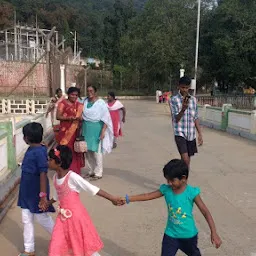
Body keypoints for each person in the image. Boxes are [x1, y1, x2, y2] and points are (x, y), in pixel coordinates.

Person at [122, 159, 222, 256]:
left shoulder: (192, 192)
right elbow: (147, 196)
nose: (169, 183)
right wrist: (128, 199)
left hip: (189, 236)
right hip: (171, 235)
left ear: (183, 178)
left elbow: (205, 212)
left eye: (172, 180)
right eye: (167, 180)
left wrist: (214, 232)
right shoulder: (166, 190)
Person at [41, 145, 124, 256]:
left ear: (59, 163)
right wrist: (48, 203)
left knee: (81, 242)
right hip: (63, 217)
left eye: (50, 159)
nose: (48, 162)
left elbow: (92, 189)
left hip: (76, 217)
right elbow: (58, 194)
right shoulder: (56, 177)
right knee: (58, 240)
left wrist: (112, 198)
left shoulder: (72, 177)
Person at [17, 122, 55, 256]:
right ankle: (29, 249)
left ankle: (63, 237)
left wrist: (43, 196)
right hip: (26, 192)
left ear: (26, 138)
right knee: (26, 219)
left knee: (42, 218)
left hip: (37, 192)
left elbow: (43, 174)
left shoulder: (39, 152)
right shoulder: (36, 148)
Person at [82, 85, 113, 180]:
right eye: (88, 91)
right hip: (86, 129)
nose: (89, 92)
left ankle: (99, 172)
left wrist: (103, 131)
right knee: (87, 151)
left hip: (97, 129)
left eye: (91, 91)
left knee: (96, 151)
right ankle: (91, 170)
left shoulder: (101, 103)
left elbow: (106, 118)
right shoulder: (85, 101)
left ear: (95, 92)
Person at [170, 76, 203, 167]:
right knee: (185, 159)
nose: (185, 90)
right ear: (179, 87)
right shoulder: (174, 100)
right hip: (180, 133)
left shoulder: (193, 100)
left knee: (187, 160)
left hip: (191, 134)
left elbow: (195, 117)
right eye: (183, 87)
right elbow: (175, 119)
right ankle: (182, 179)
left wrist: (199, 133)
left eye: (187, 87)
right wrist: (183, 109)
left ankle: (182, 179)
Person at [57, 87, 84, 175]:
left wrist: (80, 118)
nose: (74, 97)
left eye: (76, 95)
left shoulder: (79, 105)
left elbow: (81, 117)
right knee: (65, 150)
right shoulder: (62, 103)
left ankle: (75, 170)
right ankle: (65, 170)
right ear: (68, 94)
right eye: (72, 94)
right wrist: (69, 118)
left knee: (75, 149)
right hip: (65, 132)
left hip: (75, 131)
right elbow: (58, 116)